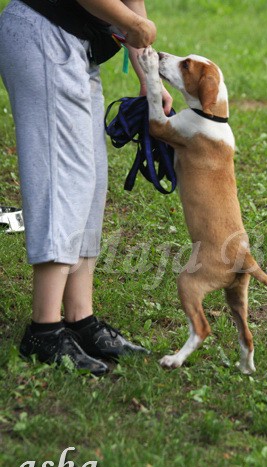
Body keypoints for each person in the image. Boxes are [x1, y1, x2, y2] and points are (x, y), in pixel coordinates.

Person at [0, 0, 173, 376]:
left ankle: (81, 319)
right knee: (63, 177)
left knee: (90, 179)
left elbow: (133, 3)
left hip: (78, 46)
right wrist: (128, 22)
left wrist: (149, 78)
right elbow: (129, 15)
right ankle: (44, 329)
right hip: (44, 33)